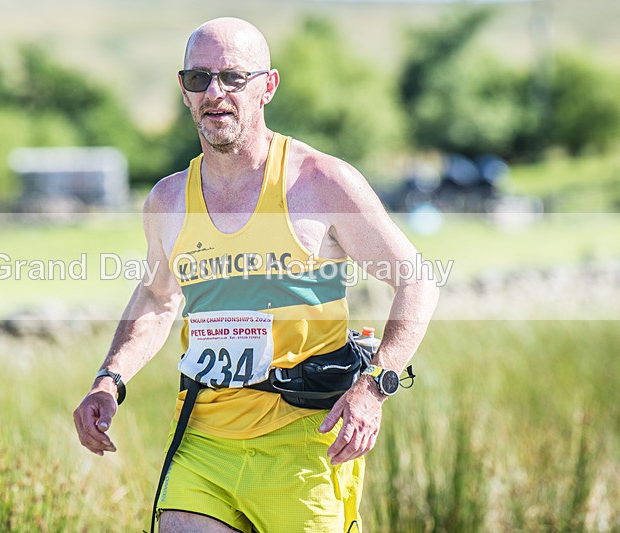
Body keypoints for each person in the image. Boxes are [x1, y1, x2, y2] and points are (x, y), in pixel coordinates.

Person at [73, 17, 439, 533]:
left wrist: (374, 386)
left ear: (267, 86)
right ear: (183, 91)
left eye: (232, 78)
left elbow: (417, 279)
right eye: (198, 79)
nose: (214, 93)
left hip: (306, 443)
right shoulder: (168, 200)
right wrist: (108, 381)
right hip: (204, 441)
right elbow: (159, 300)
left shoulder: (320, 183)